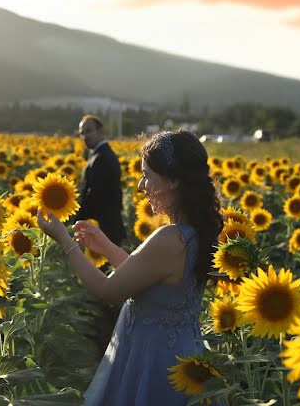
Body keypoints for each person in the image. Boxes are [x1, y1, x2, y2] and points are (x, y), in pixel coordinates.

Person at [37, 130, 223, 404]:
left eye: (147, 175)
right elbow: (150, 283)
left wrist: (65, 241)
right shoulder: (194, 231)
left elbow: (108, 290)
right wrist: (108, 247)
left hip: (154, 359)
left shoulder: (170, 239)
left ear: (172, 180)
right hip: (180, 354)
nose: (140, 184)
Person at [75, 114, 125, 245]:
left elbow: (95, 195)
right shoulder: (99, 154)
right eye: (82, 133)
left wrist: (77, 219)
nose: (85, 136)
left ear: (101, 131)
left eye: (89, 131)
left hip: (105, 230)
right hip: (103, 228)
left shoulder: (103, 157)